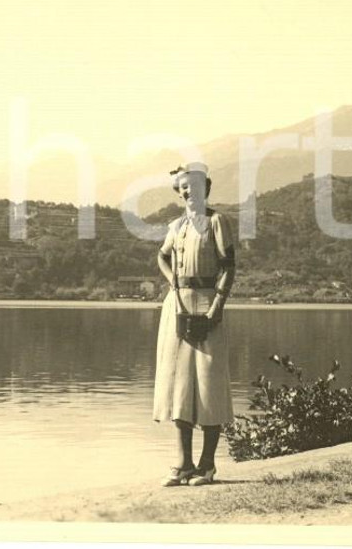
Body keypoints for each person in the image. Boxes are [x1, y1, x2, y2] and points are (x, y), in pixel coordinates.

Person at [153, 161, 236, 487]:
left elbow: (229, 266)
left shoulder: (217, 222)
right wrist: (172, 281)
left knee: (208, 383)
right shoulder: (176, 226)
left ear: (207, 188)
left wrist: (217, 306)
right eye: (184, 187)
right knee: (179, 384)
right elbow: (162, 256)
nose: (189, 191)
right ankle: (183, 464)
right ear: (179, 191)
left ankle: (208, 465)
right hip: (178, 306)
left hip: (207, 303)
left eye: (195, 186)